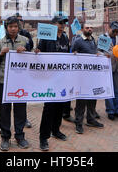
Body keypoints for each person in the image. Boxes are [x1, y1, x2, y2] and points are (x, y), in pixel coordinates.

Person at [0, 16, 31, 151]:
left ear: (18, 27)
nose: (13, 29)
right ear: (6, 28)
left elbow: (33, 58)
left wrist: (26, 52)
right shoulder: (0, 42)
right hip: (5, 81)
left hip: (21, 81)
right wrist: (1, 54)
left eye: (15, 26)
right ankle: (5, 137)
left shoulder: (25, 41)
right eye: (10, 27)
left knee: (20, 109)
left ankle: (20, 136)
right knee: (4, 110)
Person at [35, 16, 71, 151]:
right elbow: (39, 53)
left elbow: (67, 54)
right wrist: (37, 52)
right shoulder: (46, 37)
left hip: (62, 77)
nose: (62, 25)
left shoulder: (65, 38)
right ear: (54, 24)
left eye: (64, 23)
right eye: (60, 23)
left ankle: (56, 130)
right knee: (49, 107)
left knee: (60, 106)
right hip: (49, 77)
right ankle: (43, 137)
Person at [71, 22, 104, 134]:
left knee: (92, 98)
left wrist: (100, 55)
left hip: (92, 75)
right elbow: (73, 55)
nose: (90, 29)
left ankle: (90, 119)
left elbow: (94, 53)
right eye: (87, 27)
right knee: (81, 100)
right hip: (82, 76)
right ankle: (78, 123)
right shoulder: (78, 41)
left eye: (91, 27)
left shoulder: (92, 40)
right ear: (82, 29)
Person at [100, 21, 118, 121]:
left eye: (117, 31)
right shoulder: (103, 38)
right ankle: (110, 111)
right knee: (109, 90)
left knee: (117, 90)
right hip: (107, 68)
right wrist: (104, 55)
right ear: (109, 28)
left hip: (117, 68)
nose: (115, 33)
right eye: (114, 30)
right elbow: (98, 52)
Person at [15, 12, 34, 129]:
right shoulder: (6, 34)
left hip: (23, 70)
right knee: (5, 101)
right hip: (10, 72)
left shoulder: (26, 34)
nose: (19, 22)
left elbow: (30, 47)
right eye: (17, 20)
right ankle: (1, 123)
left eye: (21, 20)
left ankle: (24, 119)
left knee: (22, 97)